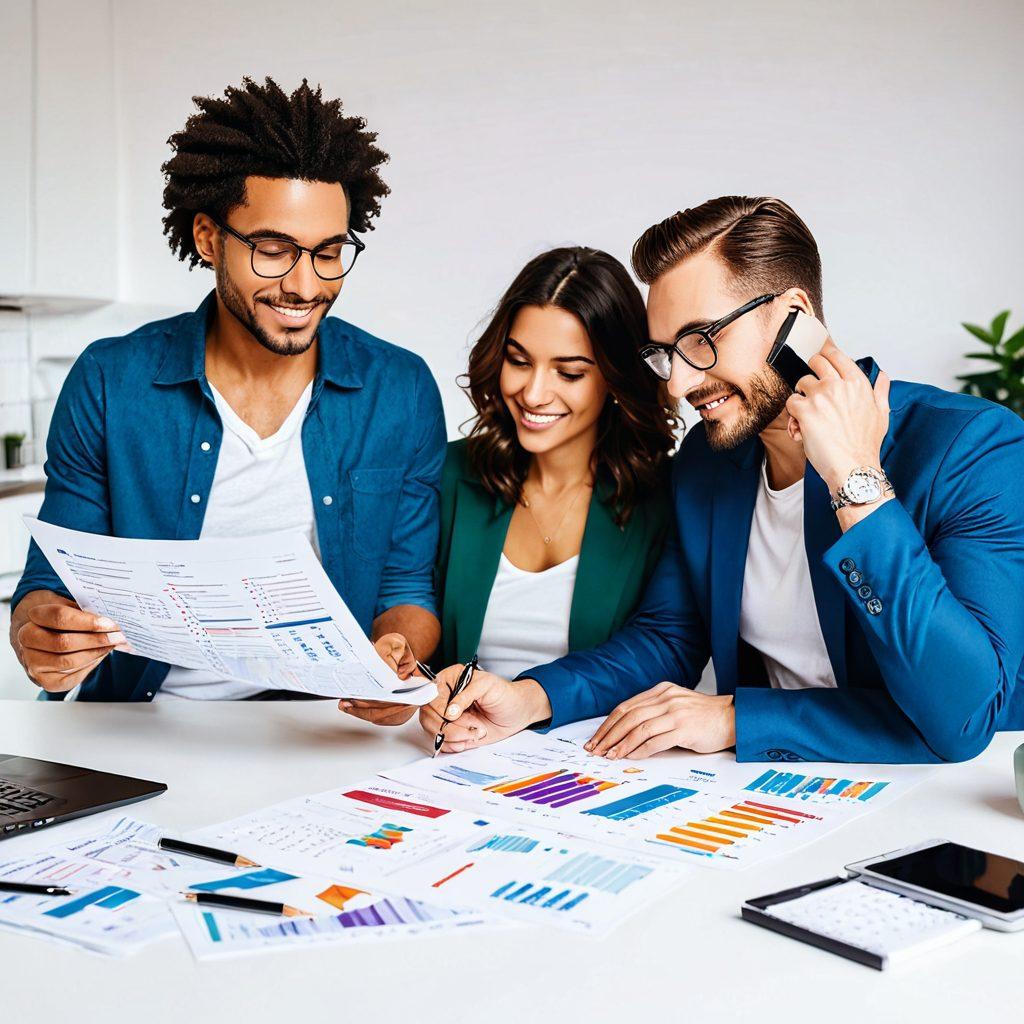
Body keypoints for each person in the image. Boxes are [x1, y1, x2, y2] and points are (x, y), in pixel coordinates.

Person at [419, 195, 1024, 763]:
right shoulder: (711, 464)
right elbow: (668, 637)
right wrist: (532, 698)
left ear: (795, 318)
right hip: (771, 797)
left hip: (950, 804)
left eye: (701, 340)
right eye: (665, 353)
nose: (679, 384)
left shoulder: (969, 447)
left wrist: (856, 477)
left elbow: (964, 717)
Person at [9, 77, 445, 700]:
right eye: (273, 249)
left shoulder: (398, 389)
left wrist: (395, 658)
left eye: (328, 252)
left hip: (318, 729)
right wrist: (40, 633)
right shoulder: (111, 381)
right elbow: (47, 585)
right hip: (141, 722)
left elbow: (407, 591)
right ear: (209, 238)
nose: (304, 285)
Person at [341, 247, 676, 729]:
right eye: (519, 361)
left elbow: (662, 650)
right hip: (454, 755)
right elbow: (410, 597)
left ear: (616, 378)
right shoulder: (449, 473)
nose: (534, 393)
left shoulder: (663, 497)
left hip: (594, 762)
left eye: (570, 372)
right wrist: (402, 666)